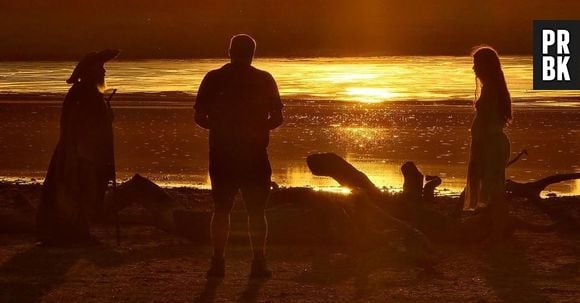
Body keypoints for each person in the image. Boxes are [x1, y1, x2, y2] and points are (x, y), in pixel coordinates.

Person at [194, 34, 283, 279]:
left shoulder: (214, 78)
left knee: (221, 209)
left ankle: (218, 262)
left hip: (222, 154)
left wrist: (219, 128)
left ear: (229, 51)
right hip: (255, 155)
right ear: (253, 53)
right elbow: (277, 118)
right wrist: (258, 129)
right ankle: (259, 262)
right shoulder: (264, 79)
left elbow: (199, 117)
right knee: (256, 211)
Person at [36, 49, 120, 245]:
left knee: (84, 193)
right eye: (101, 68)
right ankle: (72, 233)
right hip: (79, 153)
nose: (104, 72)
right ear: (90, 72)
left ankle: (77, 232)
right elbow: (82, 125)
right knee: (78, 192)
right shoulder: (84, 94)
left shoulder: (86, 93)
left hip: (81, 151)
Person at [464, 46, 512, 237]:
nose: (474, 68)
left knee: (490, 187)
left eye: (476, 64)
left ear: (486, 65)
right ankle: (493, 226)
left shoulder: (491, 89)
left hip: (490, 146)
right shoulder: (492, 87)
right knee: (490, 185)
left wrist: (480, 146)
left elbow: (489, 122)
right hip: (488, 144)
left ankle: (494, 228)